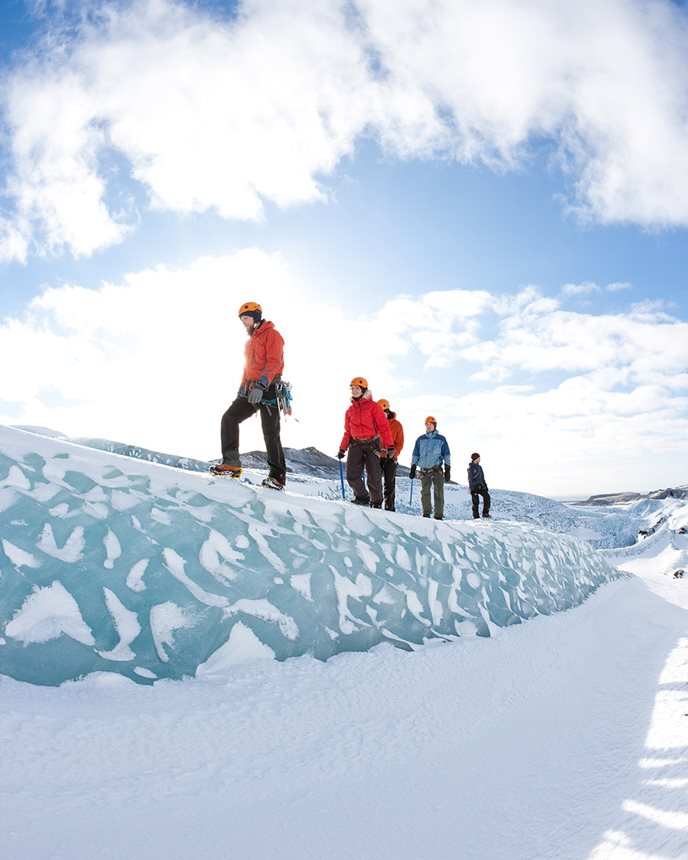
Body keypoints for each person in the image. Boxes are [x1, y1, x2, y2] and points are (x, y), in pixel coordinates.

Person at [211, 301, 287, 490]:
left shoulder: (272, 335)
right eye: (242, 319)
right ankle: (231, 463)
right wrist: (242, 390)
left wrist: (262, 384)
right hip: (250, 389)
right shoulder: (249, 342)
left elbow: (274, 361)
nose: (243, 322)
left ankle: (277, 477)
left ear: (255, 316)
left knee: (270, 433)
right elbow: (246, 368)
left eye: (245, 318)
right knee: (229, 418)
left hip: (268, 388)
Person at [338, 378, 394, 508]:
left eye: (357, 388)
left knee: (374, 477)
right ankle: (363, 497)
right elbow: (347, 431)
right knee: (351, 476)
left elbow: (384, 427)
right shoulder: (350, 411)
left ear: (364, 390)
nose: (354, 390)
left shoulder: (374, 407)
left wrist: (390, 446)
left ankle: (376, 502)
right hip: (355, 444)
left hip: (372, 445)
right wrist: (342, 448)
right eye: (352, 388)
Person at [409, 417, 451, 520]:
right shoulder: (420, 439)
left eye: (430, 424)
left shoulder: (441, 439)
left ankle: (438, 515)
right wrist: (413, 467)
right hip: (424, 471)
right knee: (425, 492)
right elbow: (415, 454)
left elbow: (446, 454)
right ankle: (426, 513)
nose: (428, 426)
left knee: (439, 493)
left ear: (434, 425)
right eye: (426, 424)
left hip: (437, 470)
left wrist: (448, 468)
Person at [377, 399, 404, 512]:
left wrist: (394, 455)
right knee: (375, 482)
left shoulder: (397, 425)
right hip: (377, 457)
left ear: (388, 411)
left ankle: (389, 507)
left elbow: (400, 443)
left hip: (390, 458)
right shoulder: (373, 424)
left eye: (383, 412)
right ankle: (375, 504)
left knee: (389, 484)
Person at [467, 452, 491, 519]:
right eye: (478, 458)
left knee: (487, 497)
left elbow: (482, 477)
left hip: (481, 486)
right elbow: (470, 479)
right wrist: (472, 489)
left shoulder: (480, 467)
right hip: (474, 487)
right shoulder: (470, 468)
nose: (480, 459)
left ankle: (485, 513)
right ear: (475, 459)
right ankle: (476, 517)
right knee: (475, 502)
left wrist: (485, 485)